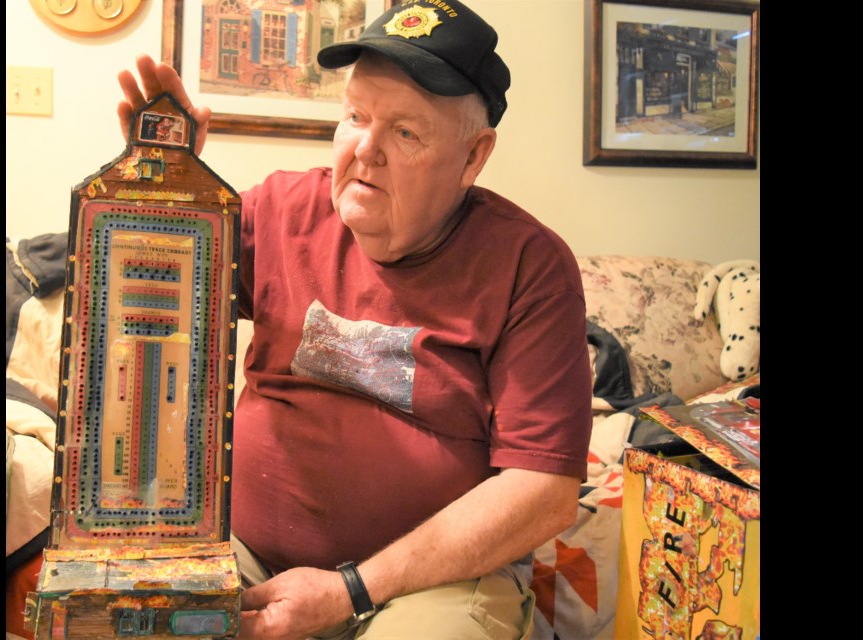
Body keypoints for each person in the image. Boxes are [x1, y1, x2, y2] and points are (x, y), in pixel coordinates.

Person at [118, 2, 592, 639]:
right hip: (242, 552)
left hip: (433, 583)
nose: (366, 149)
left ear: (473, 157)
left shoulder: (529, 266)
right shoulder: (281, 208)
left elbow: (545, 489)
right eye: (355, 116)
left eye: (405, 132)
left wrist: (349, 590)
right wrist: (168, 185)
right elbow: (150, 308)